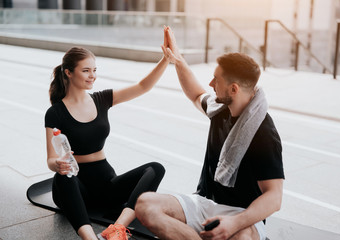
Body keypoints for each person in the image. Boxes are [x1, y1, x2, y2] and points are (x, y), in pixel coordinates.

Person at [135, 26, 284, 240]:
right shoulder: (220, 107)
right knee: (145, 205)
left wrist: (234, 223)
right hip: (204, 202)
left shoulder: (264, 132)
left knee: (242, 238)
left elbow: (274, 197)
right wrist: (177, 58)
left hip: (242, 214)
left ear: (234, 89)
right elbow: (196, 94)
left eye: (216, 80)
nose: (210, 84)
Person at [45, 28, 170, 240]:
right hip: (75, 187)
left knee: (155, 168)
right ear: (68, 72)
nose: (92, 75)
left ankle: (118, 228)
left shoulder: (101, 99)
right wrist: (58, 164)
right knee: (63, 176)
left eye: (94, 70)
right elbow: (50, 159)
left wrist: (166, 59)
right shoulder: (55, 112)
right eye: (86, 70)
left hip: (105, 183)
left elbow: (142, 86)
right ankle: (90, 238)